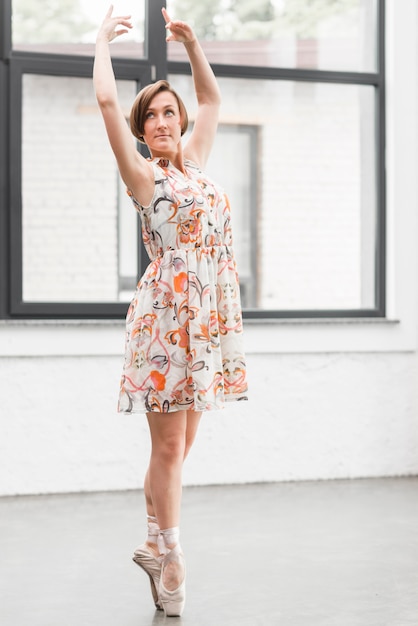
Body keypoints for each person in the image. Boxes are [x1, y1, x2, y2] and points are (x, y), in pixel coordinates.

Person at [94, 5, 248, 617]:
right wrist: (102, 41)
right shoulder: (144, 178)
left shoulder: (199, 166)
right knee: (166, 450)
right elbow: (108, 105)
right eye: (151, 116)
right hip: (165, 321)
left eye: (168, 112)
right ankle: (174, 553)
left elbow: (211, 100)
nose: (161, 121)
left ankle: (154, 545)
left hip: (206, 323)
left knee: (180, 448)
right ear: (142, 131)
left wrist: (191, 44)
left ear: (180, 122)